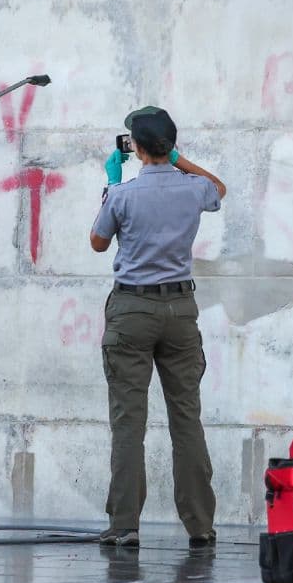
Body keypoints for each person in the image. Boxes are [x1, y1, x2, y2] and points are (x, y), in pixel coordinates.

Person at [89, 106, 227, 548]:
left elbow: (98, 242)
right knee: (186, 418)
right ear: (170, 144)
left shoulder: (124, 194)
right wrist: (179, 161)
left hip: (132, 309)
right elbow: (219, 188)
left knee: (129, 421)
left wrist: (112, 183)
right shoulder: (193, 189)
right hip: (181, 310)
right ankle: (200, 524)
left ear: (136, 147)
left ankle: (125, 524)